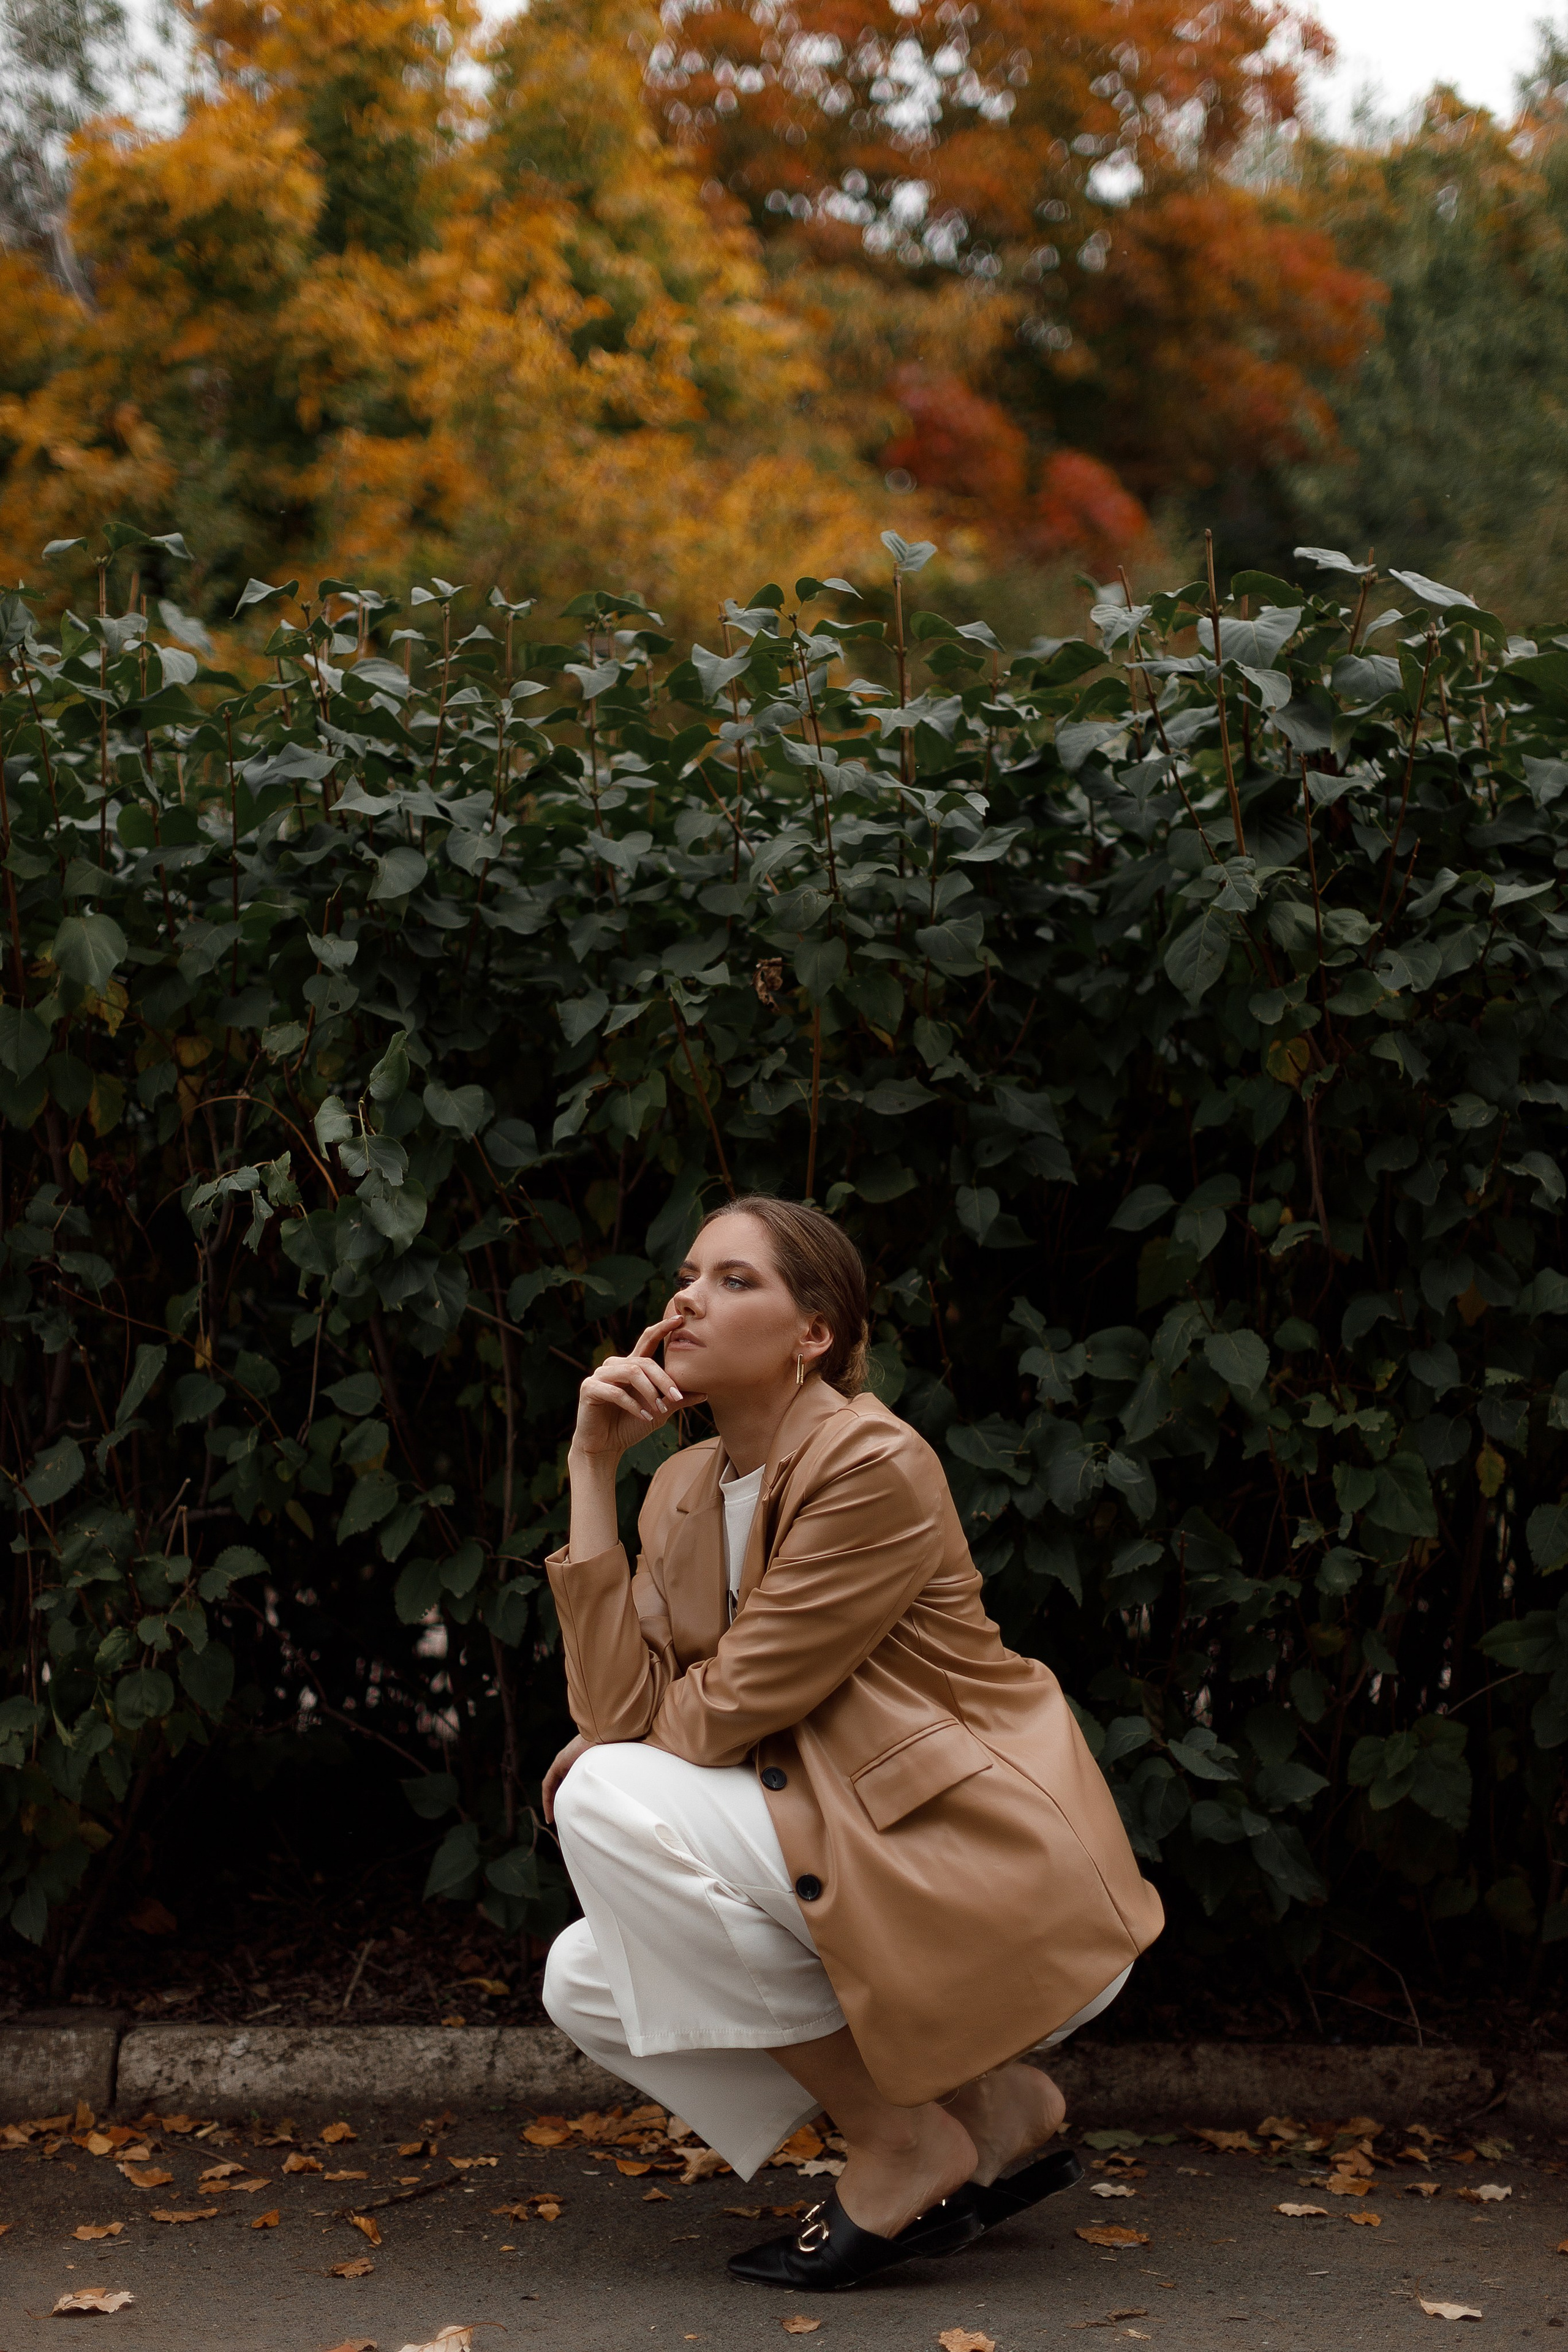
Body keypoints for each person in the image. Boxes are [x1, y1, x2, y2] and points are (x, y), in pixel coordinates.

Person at [540, 1195, 1163, 2291]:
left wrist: (619, 1747)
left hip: (960, 1866)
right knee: (587, 1978)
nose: (687, 1299)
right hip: (828, 1846)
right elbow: (614, 1707)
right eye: (688, 1276)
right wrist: (595, 1469)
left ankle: (897, 2141)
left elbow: (721, 1710)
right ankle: (985, 2105)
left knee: (601, 1800)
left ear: (813, 1333)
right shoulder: (682, 1487)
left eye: (735, 1281)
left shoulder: (870, 1461)